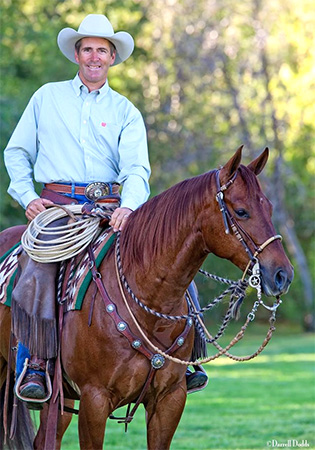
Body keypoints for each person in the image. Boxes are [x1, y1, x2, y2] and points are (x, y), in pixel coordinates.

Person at [4, 14, 207, 405]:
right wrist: (28, 196)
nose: (94, 56)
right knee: (38, 264)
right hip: (57, 208)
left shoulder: (125, 110)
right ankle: (36, 364)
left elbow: (135, 169)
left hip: (113, 209)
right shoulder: (46, 97)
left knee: (172, 261)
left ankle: (187, 356)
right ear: (76, 55)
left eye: (102, 50)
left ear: (112, 57)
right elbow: (17, 152)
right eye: (87, 49)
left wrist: (130, 207)